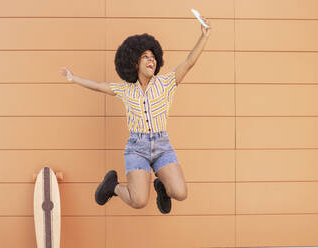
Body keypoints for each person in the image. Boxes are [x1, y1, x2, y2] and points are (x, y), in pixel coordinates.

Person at [61, 17, 211, 214]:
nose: (151, 60)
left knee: (181, 193)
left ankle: (162, 188)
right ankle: (112, 186)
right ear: (134, 62)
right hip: (136, 148)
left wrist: (204, 36)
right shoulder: (126, 89)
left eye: (153, 57)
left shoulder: (165, 84)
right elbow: (99, 86)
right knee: (139, 201)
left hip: (161, 145)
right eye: (145, 57)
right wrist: (74, 79)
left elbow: (189, 62)